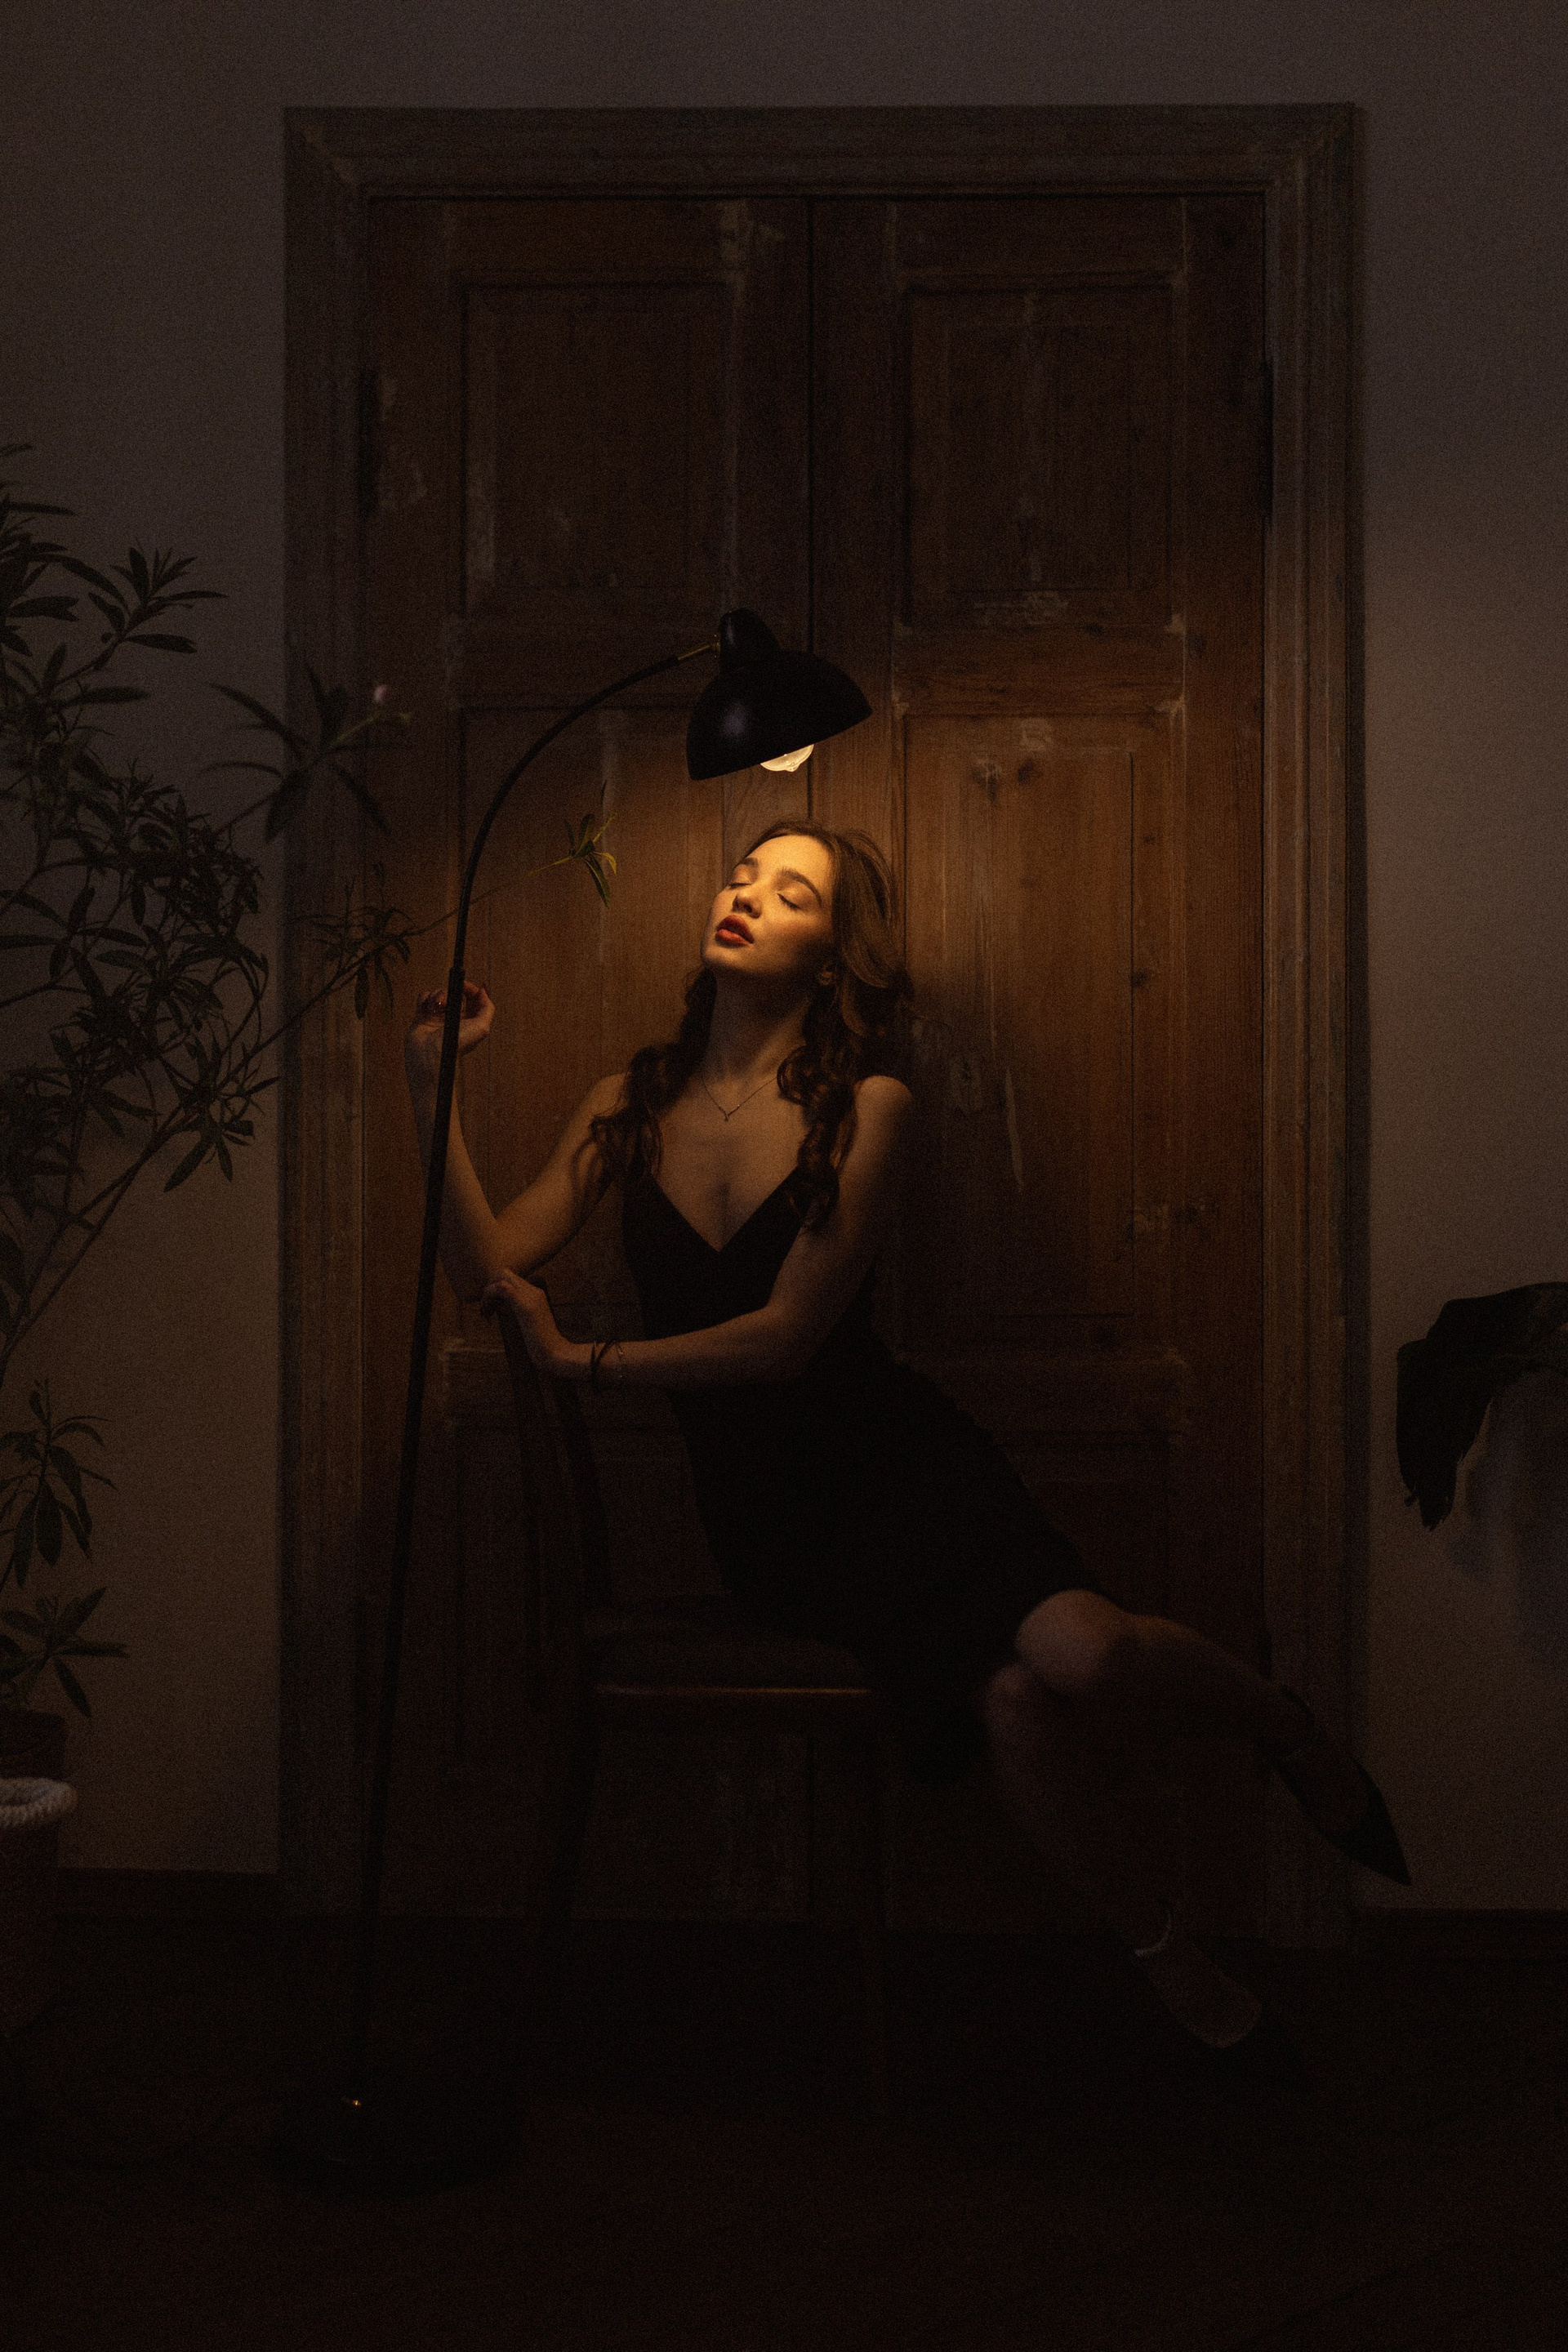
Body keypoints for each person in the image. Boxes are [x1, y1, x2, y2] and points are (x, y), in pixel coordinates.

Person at [403, 820, 1409, 2055]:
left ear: (835, 955)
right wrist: (432, 1088)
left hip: (905, 1473)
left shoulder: (868, 1107)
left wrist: (587, 1362)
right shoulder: (631, 1103)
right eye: (741, 875)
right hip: (775, 1524)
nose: (746, 895)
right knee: (1016, 1703)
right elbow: (484, 1267)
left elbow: (786, 1338)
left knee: (1084, 1658)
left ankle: (1282, 1725)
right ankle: (1176, 1965)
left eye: (791, 892)